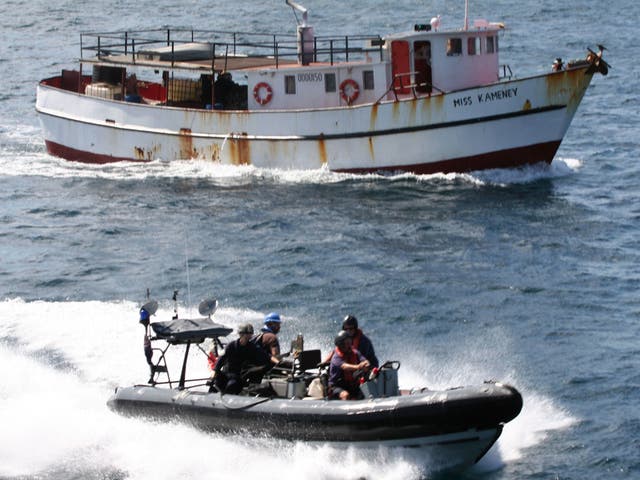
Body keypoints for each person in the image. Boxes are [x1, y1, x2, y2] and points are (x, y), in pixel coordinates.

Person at [213, 323, 271, 394]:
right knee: (214, 383)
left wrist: (274, 360)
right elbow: (221, 359)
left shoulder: (252, 348)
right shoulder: (231, 346)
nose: (248, 336)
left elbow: (265, 357)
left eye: (250, 334)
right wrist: (215, 371)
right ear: (240, 334)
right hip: (225, 374)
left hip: (238, 377)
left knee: (232, 385)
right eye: (246, 334)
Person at [328, 330, 370, 400]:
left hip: (352, 385)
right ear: (341, 345)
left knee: (367, 391)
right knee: (345, 395)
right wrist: (358, 366)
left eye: (350, 342)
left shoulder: (355, 352)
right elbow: (345, 366)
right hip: (336, 386)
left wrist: (366, 364)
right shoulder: (336, 357)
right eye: (347, 343)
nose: (349, 345)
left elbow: (364, 360)